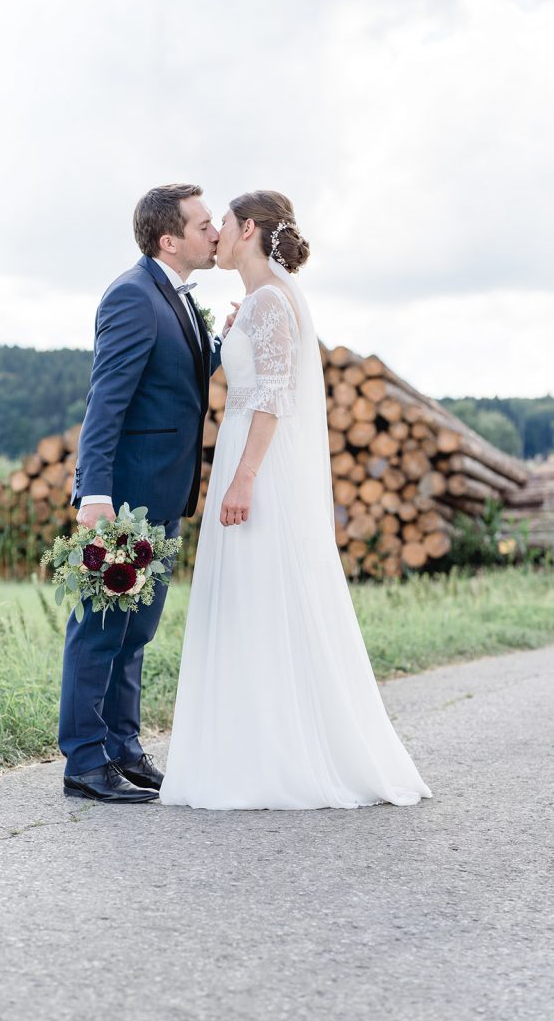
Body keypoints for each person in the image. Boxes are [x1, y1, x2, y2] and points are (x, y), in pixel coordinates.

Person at [159, 190, 433, 811]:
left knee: (263, 594)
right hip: (243, 453)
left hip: (258, 465)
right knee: (248, 597)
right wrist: (235, 332)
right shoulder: (259, 304)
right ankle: (249, 742)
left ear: (248, 228)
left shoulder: (272, 305)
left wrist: (245, 477)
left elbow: (273, 400)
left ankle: (279, 753)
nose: (216, 233)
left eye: (223, 223)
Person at [59, 183, 225, 803]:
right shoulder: (132, 296)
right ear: (169, 239)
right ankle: (83, 759)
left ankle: (122, 746)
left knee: (137, 630)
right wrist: (93, 493)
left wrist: (219, 344)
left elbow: (177, 378)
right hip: (125, 496)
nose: (215, 232)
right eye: (204, 224)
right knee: (101, 625)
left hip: (164, 494)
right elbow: (106, 403)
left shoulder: (176, 298)